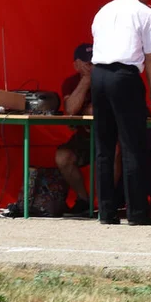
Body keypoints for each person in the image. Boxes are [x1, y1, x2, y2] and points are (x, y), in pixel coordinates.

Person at [90, 0, 151, 226]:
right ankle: (137, 212)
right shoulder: (145, 13)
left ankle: (106, 212)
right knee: (133, 146)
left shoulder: (103, 11)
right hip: (124, 76)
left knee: (104, 148)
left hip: (98, 76)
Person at [56, 43, 96, 215]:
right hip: (83, 138)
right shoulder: (71, 82)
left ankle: (103, 203)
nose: (91, 65)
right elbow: (71, 109)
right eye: (87, 62)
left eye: (94, 61)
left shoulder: (106, 78)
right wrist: (86, 80)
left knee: (115, 151)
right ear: (76, 65)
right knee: (62, 157)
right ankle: (84, 200)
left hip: (107, 135)